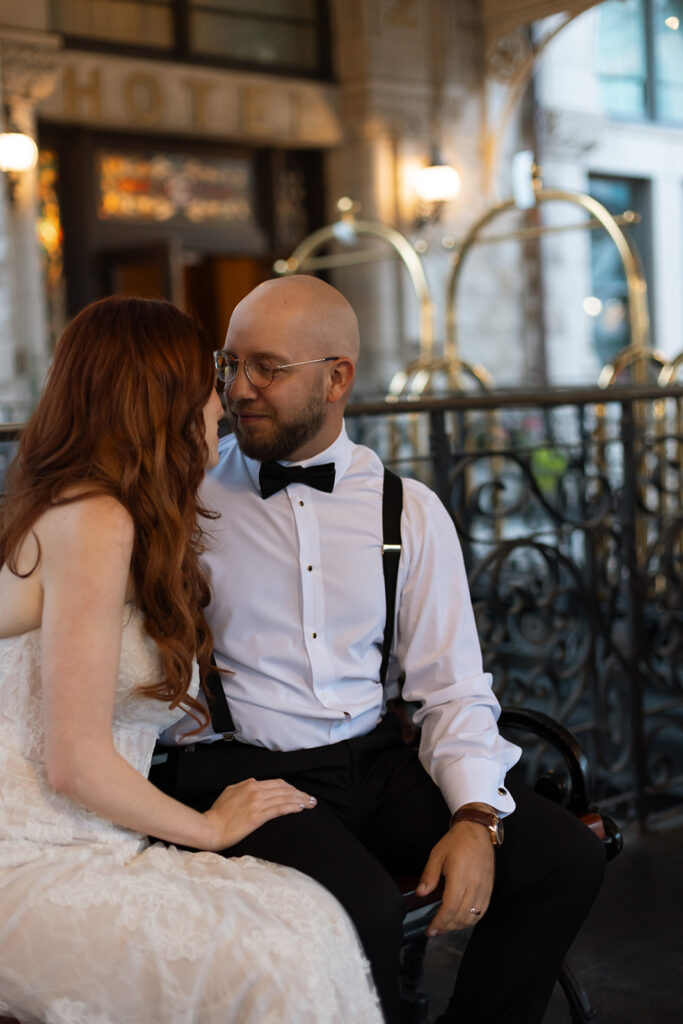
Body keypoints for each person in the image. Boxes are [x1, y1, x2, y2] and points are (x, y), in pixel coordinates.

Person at [151, 275, 606, 1024]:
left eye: (267, 367)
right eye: (228, 365)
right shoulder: (184, 494)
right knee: (355, 908)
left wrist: (473, 818)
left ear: (337, 378)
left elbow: (451, 686)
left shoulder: (410, 510)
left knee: (563, 859)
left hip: (376, 758)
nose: (238, 390)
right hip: (243, 769)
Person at [0, 295, 383, 1024]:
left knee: (305, 918)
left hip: (91, 837)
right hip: (26, 853)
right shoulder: (95, 519)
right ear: (161, 401)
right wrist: (208, 826)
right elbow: (72, 763)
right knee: (279, 956)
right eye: (213, 378)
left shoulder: (110, 512)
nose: (227, 399)